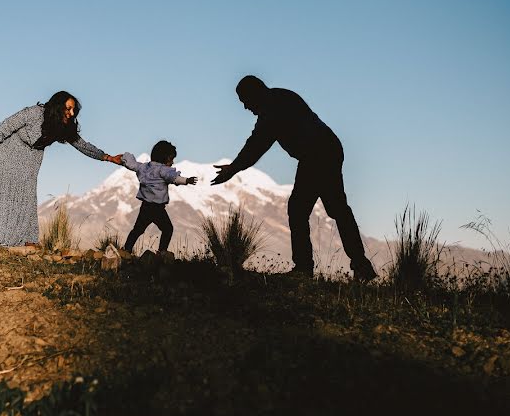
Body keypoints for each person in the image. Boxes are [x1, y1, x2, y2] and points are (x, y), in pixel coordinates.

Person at [211, 75, 377, 282]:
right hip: (328, 149)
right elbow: (257, 142)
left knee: (299, 209)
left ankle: (304, 269)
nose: (245, 107)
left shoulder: (272, 110)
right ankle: (360, 264)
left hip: (316, 154)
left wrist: (233, 169)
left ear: (254, 94)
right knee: (337, 209)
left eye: (245, 101)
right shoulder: (280, 98)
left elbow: (256, 145)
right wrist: (235, 167)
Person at [0, 91, 122, 247]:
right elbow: (8, 125)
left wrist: (107, 157)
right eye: (68, 108)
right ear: (58, 106)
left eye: (73, 110)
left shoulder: (64, 127)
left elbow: (82, 145)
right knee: (3, 196)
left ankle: (27, 240)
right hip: (6, 154)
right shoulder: (34, 113)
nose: (71, 114)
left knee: (26, 199)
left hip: (29, 162)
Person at [120, 140, 197, 254]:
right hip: (157, 209)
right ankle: (162, 253)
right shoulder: (163, 170)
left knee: (137, 230)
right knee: (167, 229)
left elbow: (132, 164)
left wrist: (123, 157)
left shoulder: (144, 167)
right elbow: (174, 178)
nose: (172, 162)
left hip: (145, 207)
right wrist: (186, 180)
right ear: (164, 158)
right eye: (171, 159)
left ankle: (126, 250)